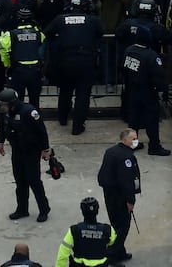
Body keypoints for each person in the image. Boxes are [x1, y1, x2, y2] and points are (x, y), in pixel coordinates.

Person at [44, 0, 104, 134]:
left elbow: (47, 32)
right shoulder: (92, 20)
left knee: (65, 91)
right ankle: (78, 126)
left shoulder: (61, 19)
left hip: (65, 60)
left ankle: (63, 118)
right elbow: (101, 32)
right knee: (83, 95)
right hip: (86, 60)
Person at [0, 88, 52, 222]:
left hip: (31, 151)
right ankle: (22, 209)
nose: (1, 108)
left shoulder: (29, 112)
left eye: (4, 105)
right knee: (20, 181)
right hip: (17, 150)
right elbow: (3, 127)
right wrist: (0, 141)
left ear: (13, 104)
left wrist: (45, 149)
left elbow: (42, 131)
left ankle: (44, 209)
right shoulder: (6, 113)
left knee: (34, 181)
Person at [121, 28, 170, 156]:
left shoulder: (128, 50)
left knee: (133, 119)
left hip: (132, 90)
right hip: (147, 91)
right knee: (152, 120)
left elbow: (124, 69)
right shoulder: (151, 55)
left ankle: (132, 144)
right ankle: (154, 146)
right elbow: (159, 76)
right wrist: (163, 90)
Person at [97, 129, 141, 264]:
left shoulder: (111, 151)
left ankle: (120, 251)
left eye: (136, 138)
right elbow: (126, 181)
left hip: (109, 193)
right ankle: (112, 255)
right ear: (124, 140)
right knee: (122, 227)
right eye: (132, 138)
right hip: (120, 196)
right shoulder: (126, 157)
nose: (135, 141)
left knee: (116, 223)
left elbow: (103, 173)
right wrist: (130, 200)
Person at [55, 198, 119, 267]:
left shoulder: (74, 231)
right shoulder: (108, 230)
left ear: (82, 212)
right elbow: (112, 242)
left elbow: (62, 255)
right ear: (97, 211)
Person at [1, 7, 45, 108]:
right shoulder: (38, 33)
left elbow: (4, 49)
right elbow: (41, 43)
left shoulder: (10, 34)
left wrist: (7, 64)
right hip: (35, 70)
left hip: (18, 70)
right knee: (35, 100)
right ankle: (35, 120)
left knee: (17, 100)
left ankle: (18, 121)